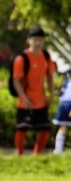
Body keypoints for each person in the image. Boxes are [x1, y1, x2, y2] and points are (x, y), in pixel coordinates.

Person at [13, 26, 56, 155]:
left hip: (41, 100)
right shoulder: (22, 58)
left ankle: (37, 154)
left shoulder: (46, 56)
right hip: (25, 101)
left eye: (40, 40)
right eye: (35, 39)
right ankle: (19, 154)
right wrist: (24, 98)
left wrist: (51, 94)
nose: (38, 43)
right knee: (22, 128)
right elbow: (16, 81)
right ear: (29, 40)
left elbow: (49, 76)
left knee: (45, 129)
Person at [54, 69, 71, 154]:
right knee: (63, 127)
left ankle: (58, 150)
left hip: (64, 103)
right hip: (67, 103)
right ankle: (58, 150)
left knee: (62, 127)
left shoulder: (66, 81)